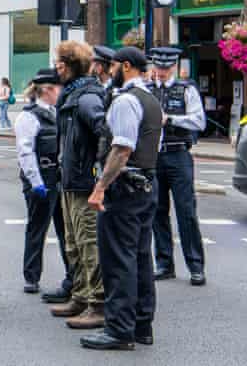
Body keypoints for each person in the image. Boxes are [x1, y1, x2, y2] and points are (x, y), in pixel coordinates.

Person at [81, 46, 163, 351]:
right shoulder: (152, 100)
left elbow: (122, 149)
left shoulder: (125, 101)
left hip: (124, 187)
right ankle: (142, 325)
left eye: (112, 66)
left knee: (118, 260)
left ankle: (119, 329)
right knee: (141, 257)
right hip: (146, 185)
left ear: (125, 66)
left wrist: (101, 186)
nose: (109, 70)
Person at [50, 40, 107, 330]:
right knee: (74, 245)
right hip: (71, 181)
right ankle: (81, 296)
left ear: (71, 65)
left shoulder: (86, 99)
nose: (56, 67)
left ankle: (97, 304)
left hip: (84, 183)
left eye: (60, 62)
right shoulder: (72, 97)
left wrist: (97, 170)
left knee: (88, 245)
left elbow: (105, 134)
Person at [147, 47, 207, 286]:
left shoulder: (186, 89)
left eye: (164, 68)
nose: (160, 72)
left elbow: (199, 120)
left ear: (173, 67)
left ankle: (195, 266)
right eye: (157, 67)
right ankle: (164, 264)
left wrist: (170, 119)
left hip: (178, 155)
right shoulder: (148, 90)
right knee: (157, 212)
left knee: (186, 212)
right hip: (154, 157)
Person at [15, 68, 73, 296]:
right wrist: (36, 182)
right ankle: (31, 277)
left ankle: (73, 274)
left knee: (66, 230)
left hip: (59, 177)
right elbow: (25, 152)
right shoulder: (29, 116)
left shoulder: (59, 112)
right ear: (48, 89)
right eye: (59, 87)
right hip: (41, 177)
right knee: (37, 228)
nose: (62, 91)